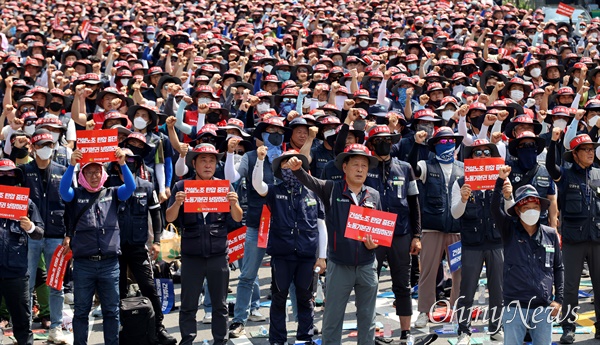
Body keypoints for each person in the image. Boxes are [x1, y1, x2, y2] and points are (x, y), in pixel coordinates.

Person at [288, 144, 381, 345]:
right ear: (344, 168)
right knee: (332, 319)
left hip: (367, 265)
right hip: (339, 266)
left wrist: (376, 245)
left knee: (368, 320)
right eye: (355, 164)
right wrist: (297, 169)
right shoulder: (331, 188)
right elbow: (310, 181)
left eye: (364, 166)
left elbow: (378, 230)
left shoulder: (373, 195)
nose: (359, 169)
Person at [166, 143, 243, 345]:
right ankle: (187, 340)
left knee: (220, 305)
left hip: (218, 254)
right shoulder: (181, 187)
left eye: (211, 161)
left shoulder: (225, 186)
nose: (208, 165)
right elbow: (169, 217)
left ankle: (220, 341)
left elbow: (237, 218)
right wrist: (177, 203)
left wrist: (234, 203)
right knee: (189, 305)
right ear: (194, 163)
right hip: (192, 256)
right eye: (203, 160)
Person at [59, 148, 136, 345]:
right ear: (82, 175)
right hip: (84, 264)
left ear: (103, 174)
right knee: (81, 311)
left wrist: (122, 163)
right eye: (89, 172)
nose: (94, 176)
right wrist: (71, 165)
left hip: (110, 264)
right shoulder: (75, 196)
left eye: (97, 172)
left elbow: (131, 186)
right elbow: (62, 191)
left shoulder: (113, 193)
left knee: (111, 311)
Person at [252, 148, 327, 345]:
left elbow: (322, 226)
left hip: (307, 254)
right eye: (285, 164)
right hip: (282, 255)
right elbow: (258, 186)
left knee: (305, 297)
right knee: (279, 297)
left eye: (294, 163)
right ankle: (277, 339)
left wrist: (322, 256)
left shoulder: (313, 193)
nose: (290, 167)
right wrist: (260, 161)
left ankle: (305, 337)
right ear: (280, 169)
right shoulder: (275, 191)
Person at [225, 117, 291, 338]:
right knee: (247, 275)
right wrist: (230, 154)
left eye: (279, 131)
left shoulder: (288, 159)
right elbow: (231, 177)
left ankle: (301, 321)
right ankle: (238, 320)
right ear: (261, 135)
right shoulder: (250, 157)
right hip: (257, 224)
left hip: (284, 225)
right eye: (270, 130)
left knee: (290, 275)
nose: (275, 134)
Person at [104, 149, 177, 345]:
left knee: (148, 287)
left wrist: (156, 242)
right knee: (116, 290)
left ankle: (158, 328)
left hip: (137, 246)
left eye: (131, 160)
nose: (127, 164)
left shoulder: (146, 186)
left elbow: (156, 215)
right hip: (114, 247)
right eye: (122, 161)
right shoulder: (106, 185)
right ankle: (119, 329)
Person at [492, 165, 563, 345]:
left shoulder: (550, 234)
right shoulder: (509, 230)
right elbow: (494, 208)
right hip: (514, 307)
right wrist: (500, 181)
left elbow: (558, 268)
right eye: (526, 206)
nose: (532, 209)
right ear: (518, 210)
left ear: (541, 209)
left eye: (535, 206)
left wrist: (559, 300)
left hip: (543, 307)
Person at [363, 124, 422, 340]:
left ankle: (405, 332)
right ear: (370, 144)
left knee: (402, 284)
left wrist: (417, 236)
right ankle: (369, 331)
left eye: (388, 140)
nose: (384, 144)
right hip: (373, 232)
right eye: (379, 141)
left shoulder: (405, 168)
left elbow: (415, 203)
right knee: (369, 283)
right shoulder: (364, 166)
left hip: (400, 232)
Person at [546, 129, 600, 344]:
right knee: (570, 287)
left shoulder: (598, 173)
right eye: (585, 150)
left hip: (597, 238)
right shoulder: (566, 174)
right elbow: (551, 167)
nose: (590, 153)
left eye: (592, 149)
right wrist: (553, 142)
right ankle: (568, 327)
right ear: (575, 154)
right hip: (573, 240)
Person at [409, 127, 464, 328]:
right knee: (428, 272)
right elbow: (411, 169)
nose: (447, 144)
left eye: (451, 141)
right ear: (434, 145)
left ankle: (458, 310)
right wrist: (416, 144)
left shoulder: (462, 168)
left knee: (459, 273)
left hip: (457, 229)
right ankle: (424, 311)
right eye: (442, 141)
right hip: (431, 228)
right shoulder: (426, 165)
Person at [451, 139, 504, 344]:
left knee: (498, 288)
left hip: (496, 241)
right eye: (476, 153)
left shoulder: (500, 180)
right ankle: (464, 330)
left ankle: (495, 327)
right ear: (470, 158)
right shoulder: (459, 182)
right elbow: (455, 214)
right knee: (467, 288)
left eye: (485, 152)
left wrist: (507, 195)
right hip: (472, 243)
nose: (481, 156)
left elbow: (509, 212)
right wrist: (463, 199)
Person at [20, 129, 68, 344]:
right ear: (33, 147)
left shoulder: (63, 170)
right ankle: (24, 328)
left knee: (56, 284)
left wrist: (69, 234)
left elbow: (71, 205)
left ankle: (56, 328)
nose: (46, 148)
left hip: (57, 235)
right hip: (28, 234)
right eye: (41, 145)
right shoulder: (23, 171)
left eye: (49, 144)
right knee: (25, 283)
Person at [0, 158, 44, 345]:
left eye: (10, 174)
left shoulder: (26, 203)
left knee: (22, 321)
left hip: (16, 271)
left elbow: (40, 233)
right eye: (2, 174)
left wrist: (30, 226)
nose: (6, 177)